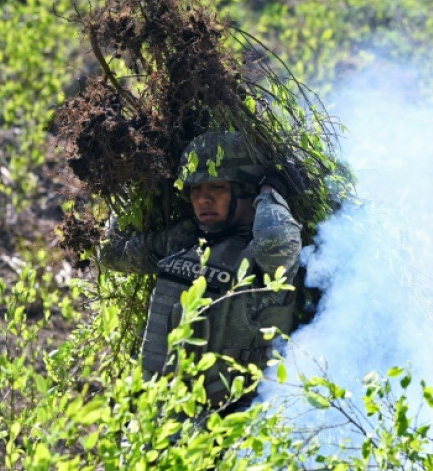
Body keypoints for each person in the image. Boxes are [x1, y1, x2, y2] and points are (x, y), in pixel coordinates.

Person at [100, 131, 301, 408]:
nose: (202, 199)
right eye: (195, 189)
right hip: (156, 415)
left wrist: (270, 193)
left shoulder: (261, 257)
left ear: (246, 190)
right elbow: (112, 253)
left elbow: (276, 241)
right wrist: (134, 181)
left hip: (224, 426)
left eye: (217, 187)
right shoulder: (183, 239)